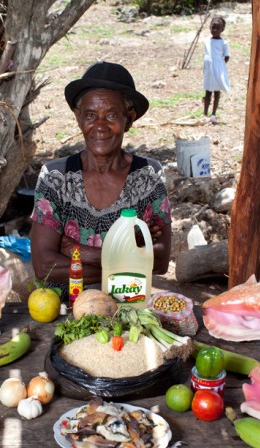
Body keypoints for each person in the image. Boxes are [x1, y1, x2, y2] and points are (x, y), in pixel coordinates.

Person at [29, 61, 172, 290]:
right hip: (61, 309)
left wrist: (80, 252)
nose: (100, 126)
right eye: (91, 115)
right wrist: (130, 256)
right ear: (78, 117)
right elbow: (45, 266)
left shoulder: (148, 177)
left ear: (129, 118)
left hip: (128, 307)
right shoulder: (57, 177)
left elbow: (161, 262)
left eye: (112, 115)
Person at [202, 16, 231, 123]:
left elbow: (226, 56)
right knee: (208, 91)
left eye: (217, 28)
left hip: (218, 70)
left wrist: (220, 66)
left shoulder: (223, 43)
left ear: (222, 29)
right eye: (213, 27)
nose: (215, 30)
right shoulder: (206, 41)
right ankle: (205, 113)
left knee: (216, 91)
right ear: (210, 27)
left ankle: (213, 113)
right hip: (209, 70)